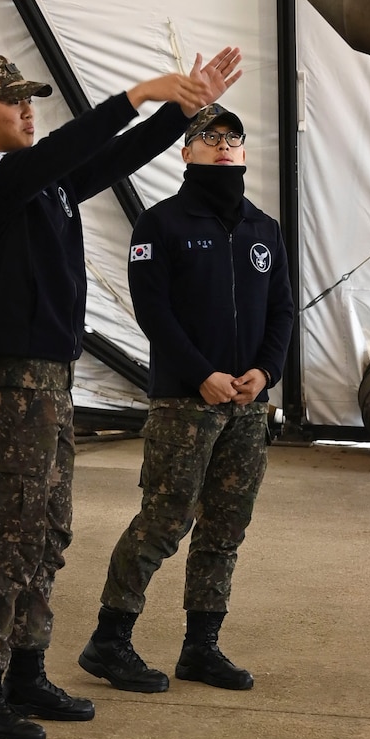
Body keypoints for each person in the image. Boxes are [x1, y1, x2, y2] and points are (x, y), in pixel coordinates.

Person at [0, 47, 242, 739]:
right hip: (9, 384)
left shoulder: (41, 182)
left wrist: (183, 111)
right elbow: (67, 149)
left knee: (47, 535)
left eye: (31, 99)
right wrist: (136, 95)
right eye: (12, 101)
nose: (27, 110)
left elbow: (111, 159)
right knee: (12, 539)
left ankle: (26, 671)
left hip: (49, 381)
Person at [78, 103, 293, 695]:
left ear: (244, 152)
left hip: (246, 406)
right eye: (210, 137)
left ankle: (202, 647)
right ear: (187, 151)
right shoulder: (161, 225)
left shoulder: (264, 229)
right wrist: (200, 374)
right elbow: (153, 312)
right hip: (184, 402)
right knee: (164, 520)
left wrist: (265, 371)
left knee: (225, 526)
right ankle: (109, 639)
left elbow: (281, 309)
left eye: (233, 138)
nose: (223, 146)